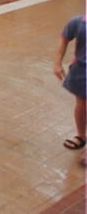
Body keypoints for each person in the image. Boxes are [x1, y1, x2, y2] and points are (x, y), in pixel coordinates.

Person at [53, 15, 86, 159]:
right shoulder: (78, 22)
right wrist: (57, 63)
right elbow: (64, 38)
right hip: (81, 69)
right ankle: (81, 135)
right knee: (81, 103)